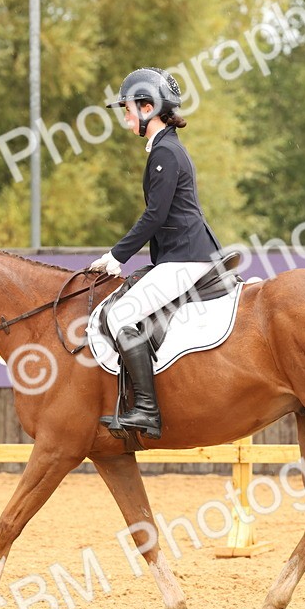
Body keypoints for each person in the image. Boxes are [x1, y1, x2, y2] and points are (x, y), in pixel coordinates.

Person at [89, 67, 223, 439]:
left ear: (148, 107)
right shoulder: (166, 148)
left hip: (185, 256)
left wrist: (117, 256)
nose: (126, 116)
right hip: (182, 254)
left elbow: (155, 215)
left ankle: (146, 410)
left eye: (129, 108)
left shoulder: (165, 151)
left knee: (121, 316)